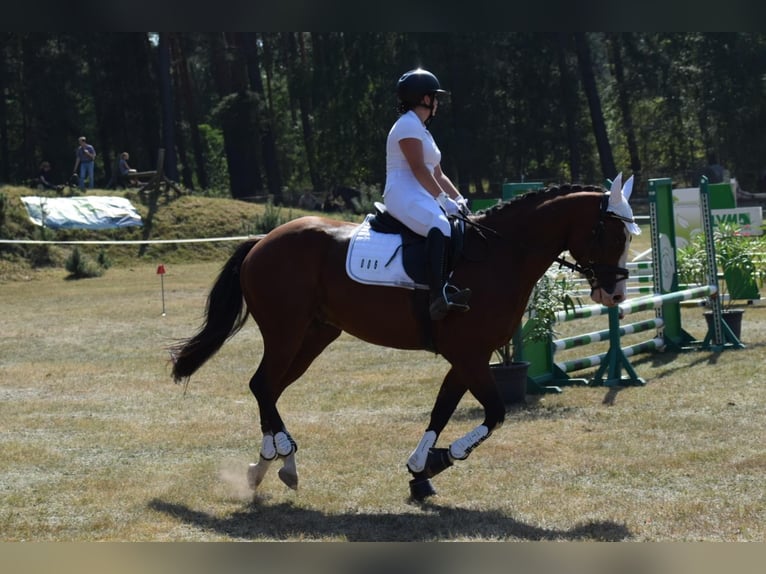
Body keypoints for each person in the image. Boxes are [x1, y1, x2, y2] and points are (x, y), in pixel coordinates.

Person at [383, 68, 471, 320]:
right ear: (424, 98)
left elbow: (438, 174)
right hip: (401, 192)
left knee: (458, 224)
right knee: (439, 223)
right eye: (435, 97)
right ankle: (438, 296)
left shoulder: (423, 130)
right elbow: (419, 169)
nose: (437, 102)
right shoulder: (407, 125)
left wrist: (459, 201)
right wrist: (442, 201)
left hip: (420, 191)